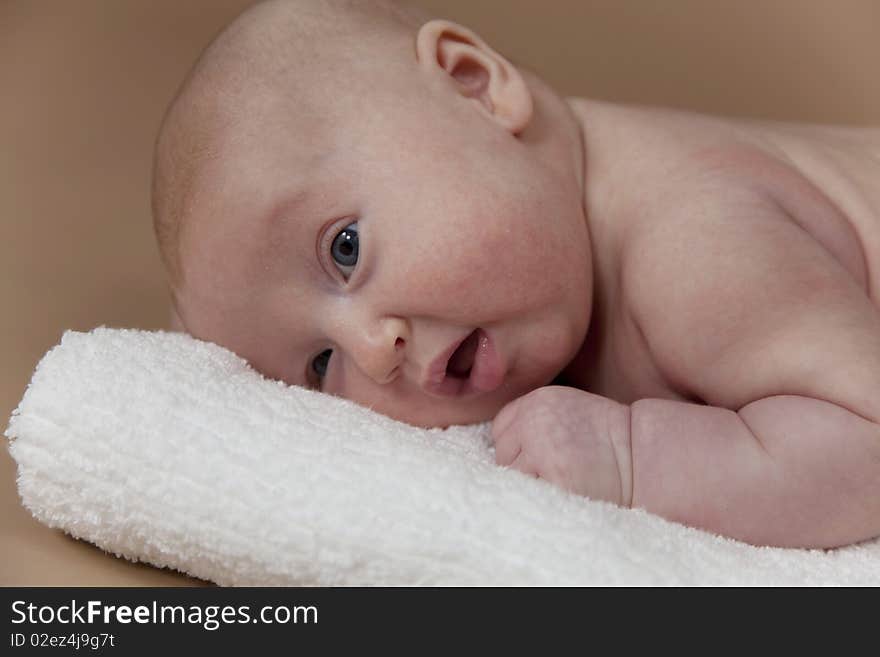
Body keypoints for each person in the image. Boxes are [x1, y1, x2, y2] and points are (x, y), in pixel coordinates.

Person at [151, 0, 880, 549]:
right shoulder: (548, 277)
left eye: (345, 248)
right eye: (319, 363)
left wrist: (633, 461)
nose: (374, 349)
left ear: (474, 87)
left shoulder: (692, 248)